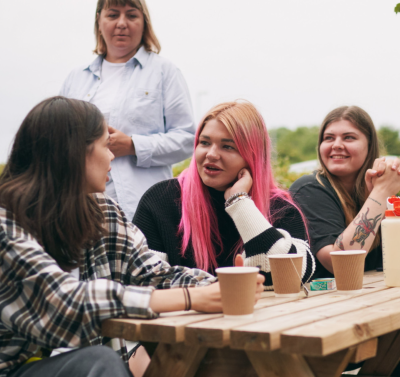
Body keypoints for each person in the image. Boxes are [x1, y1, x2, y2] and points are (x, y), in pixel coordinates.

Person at [0, 97, 263, 377]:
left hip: (97, 364)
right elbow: (62, 306)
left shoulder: (101, 212)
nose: (112, 157)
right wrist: (189, 298)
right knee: (100, 362)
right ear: (74, 152)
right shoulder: (2, 220)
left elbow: (155, 275)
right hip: (4, 371)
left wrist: (218, 286)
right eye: (105, 146)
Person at [289, 106, 400, 376]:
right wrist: (381, 193)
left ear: (369, 146)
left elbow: (397, 261)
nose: (336, 145)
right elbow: (343, 262)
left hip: (368, 314)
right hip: (317, 323)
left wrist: (379, 194)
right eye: (329, 138)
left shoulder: (373, 192)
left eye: (348, 137)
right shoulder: (310, 189)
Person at [134, 101, 317, 288]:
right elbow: (143, 280)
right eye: (204, 143)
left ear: (252, 156)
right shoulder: (160, 199)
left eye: (227, 146)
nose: (211, 154)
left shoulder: (280, 208)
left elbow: (294, 275)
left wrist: (239, 203)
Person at [60, 0, 195, 220]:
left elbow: (187, 140)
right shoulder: (76, 78)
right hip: (83, 211)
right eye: (113, 15)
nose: (122, 23)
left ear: (144, 23)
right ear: (99, 21)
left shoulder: (164, 72)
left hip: (145, 211)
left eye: (131, 15)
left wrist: (133, 145)